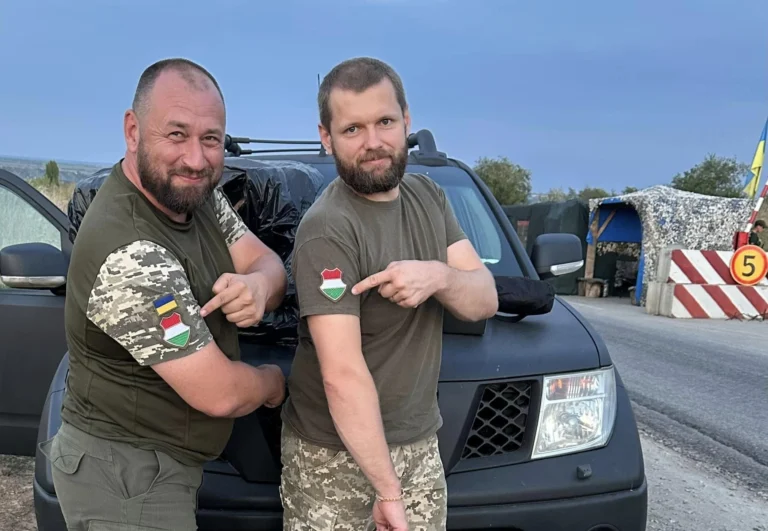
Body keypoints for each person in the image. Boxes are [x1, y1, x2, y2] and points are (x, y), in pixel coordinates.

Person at [39, 58, 288, 531]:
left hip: (166, 461)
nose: (195, 159)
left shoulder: (195, 195)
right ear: (133, 131)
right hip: (126, 479)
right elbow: (219, 392)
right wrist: (274, 383)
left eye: (210, 139)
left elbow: (264, 260)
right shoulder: (130, 254)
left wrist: (259, 286)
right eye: (176, 134)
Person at [279, 57, 499, 530]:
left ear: (406, 120)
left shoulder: (429, 197)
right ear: (326, 138)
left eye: (384, 122)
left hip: (419, 444)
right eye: (352, 129)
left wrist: (438, 277)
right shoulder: (328, 229)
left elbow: (485, 298)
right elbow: (341, 374)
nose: (373, 142)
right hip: (332, 458)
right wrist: (388, 490)